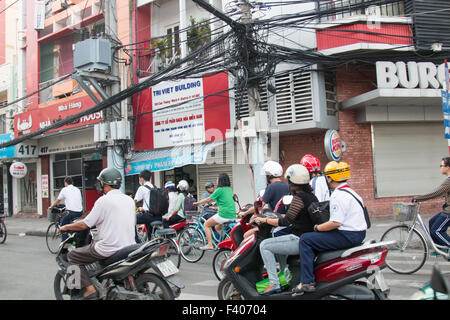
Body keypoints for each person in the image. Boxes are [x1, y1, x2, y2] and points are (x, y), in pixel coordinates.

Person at [60, 168, 136, 300]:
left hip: (109, 248)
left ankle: (90, 290)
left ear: (104, 184)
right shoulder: (129, 200)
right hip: (130, 246)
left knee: (73, 255)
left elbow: (85, 224)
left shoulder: (103, 201)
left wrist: (66, 226)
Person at [294, 161, 367, 295]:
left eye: (327, 176)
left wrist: (317, 227)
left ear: (330, 178)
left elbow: (335, 223)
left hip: (348, 235)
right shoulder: (352, 192)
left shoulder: (338, 195)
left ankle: (307, 282)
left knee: (306, 239)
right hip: (359, 233)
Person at [251, 164, 317, 295]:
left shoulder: (299, 198)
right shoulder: (311, 196)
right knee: (278, 241)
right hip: (308, 237)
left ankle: (274, 283)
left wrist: (264, 220)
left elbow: (286, 221)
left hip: (299, 239)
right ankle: (284, 274)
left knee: (265, 245)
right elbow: (297, 216)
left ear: (292, 182)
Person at [412, 157, 450, 249]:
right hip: (447, 209)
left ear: (448, 167)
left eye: (441, 165)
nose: (440, 167)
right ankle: (441, 249)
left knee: (436, 230)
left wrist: (418, 198)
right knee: (432, 222)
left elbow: (435, 193)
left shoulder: (449, 181)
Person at [193, 173, 236, 251]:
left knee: (206, 225)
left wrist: (197, 203)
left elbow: (208, 199)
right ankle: (225, 242)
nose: (216, 180)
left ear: (220, 180)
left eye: (217, 178)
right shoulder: (229, 189)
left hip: (224, 214)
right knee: (217, 227)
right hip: (232, 214)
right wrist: (215, 203)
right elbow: (226, 199)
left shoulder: (219, 190)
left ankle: (210, 245)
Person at [49, 177, 83, 241]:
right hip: (80, 212)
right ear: (72, 183)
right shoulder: (77, 189)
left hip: (71, 212)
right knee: (69, 220)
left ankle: (65, 242)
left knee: (63, 225)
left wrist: (51, 206)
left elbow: (58, 200)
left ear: (65, 183)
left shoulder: (64, 189)